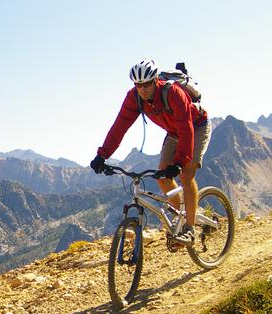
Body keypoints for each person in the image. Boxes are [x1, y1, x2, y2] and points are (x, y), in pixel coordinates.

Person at [90, 59, 211, 245]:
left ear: (155, 81)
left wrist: (179, 163)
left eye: (147, 84)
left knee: (186, 174)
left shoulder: (173, 93)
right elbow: (119, 127)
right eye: (138, 85)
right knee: (162, 177)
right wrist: (102, 154)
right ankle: (184, 216)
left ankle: (190, 228)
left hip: (196, 127)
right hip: (173, 133)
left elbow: (187, 130)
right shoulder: (134, 97)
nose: (143, 89)